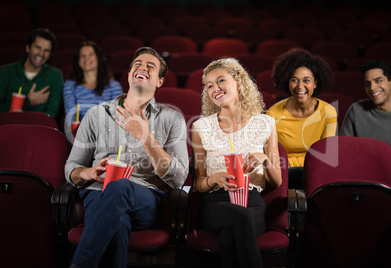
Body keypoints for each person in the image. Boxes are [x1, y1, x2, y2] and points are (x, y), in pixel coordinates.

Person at [65, 47, 189, 268]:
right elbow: (72, 168)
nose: (142, 67)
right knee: (119, 225)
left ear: (160, 81)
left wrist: (146, 137)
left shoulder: (172, 119)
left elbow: (179, 178)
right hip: (98, 193)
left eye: (150, 66)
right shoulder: (97, 114)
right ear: (130, 74)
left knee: (120, 186)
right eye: (137, 64)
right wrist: (88, 172)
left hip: (146, 199)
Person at [191, 58, 282, 268]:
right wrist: (213, 179)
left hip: (252, 202)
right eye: (209, 85)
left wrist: (265, 159)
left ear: (239, 83)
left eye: (221, 81)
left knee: (228, 238)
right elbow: (199, 184)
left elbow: (276, 182)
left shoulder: (266, 123)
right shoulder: (200, 127)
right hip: (216, 203)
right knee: (239, 218)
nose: (215, 89)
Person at [266, 48, 337, 189]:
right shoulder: (273, 114)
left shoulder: (329, 112)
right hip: (284, 175)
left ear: (315, 83)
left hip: (316, 172)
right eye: (294, 80)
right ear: (288, 82)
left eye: (306, 80)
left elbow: (326, 155)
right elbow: (273, 157)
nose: (300, 86)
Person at [340, 60, 391, 179]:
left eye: (378, 80)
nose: (372, 88)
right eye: (367, 83)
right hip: (366, 178)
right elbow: (344, 153)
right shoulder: (356, 110)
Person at [0, 28, 63, 119]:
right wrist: (28, 102)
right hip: (6, 126)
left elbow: (53, 114)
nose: (41, 54)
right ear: (28, 48)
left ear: (50, 54)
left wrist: (28, 118)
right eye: (38, 47)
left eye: (46, 50)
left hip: (38, 128)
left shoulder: (55, 75)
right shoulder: (5, 72)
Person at [63, 41, 123, 135]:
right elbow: (71, 117)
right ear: (78, 61)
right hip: (81, 136)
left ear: (99, 58)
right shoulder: (69, 86)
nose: (86, 58)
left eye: (90, 54)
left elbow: (118, 116)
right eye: (82, 55)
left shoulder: (114, 86)